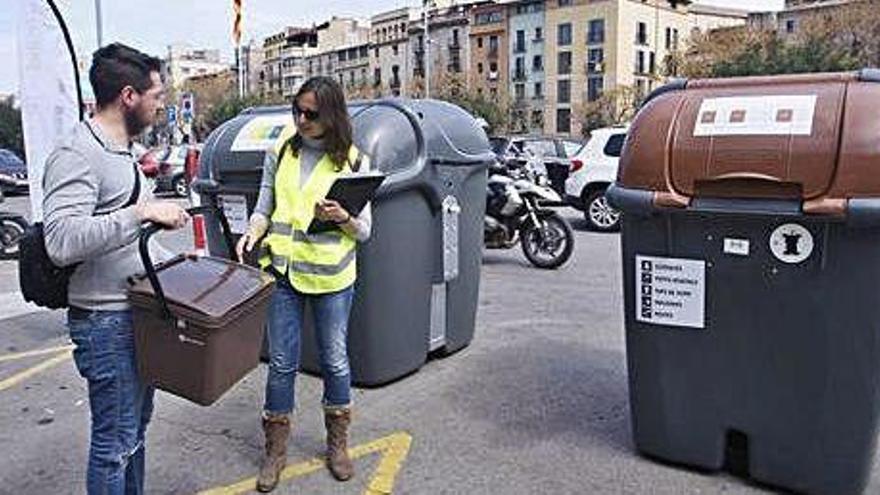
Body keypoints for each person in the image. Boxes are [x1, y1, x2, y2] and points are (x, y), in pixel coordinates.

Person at [43, 43, 189, 495]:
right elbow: (61, 241)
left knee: (134, 435)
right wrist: (141, 213)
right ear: (129, 96)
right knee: (115, 445)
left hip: (135, 315)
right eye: (156, 95)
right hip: (105, 324)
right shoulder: (77, 152)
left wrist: (180, 264)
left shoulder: (122, 151)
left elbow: (123, 244)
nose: (160, 102)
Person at [236, 76, 372, 493]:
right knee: (281, 364)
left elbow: (364, 232)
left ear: (331, 114)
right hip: (283, 272)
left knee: (334, 361)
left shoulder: (353, 161)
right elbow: (264, 205)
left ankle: (337, 444)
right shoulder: (281, 150)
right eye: (297, 110)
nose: (301, 119)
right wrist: (253, 231)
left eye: (311, 113)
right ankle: (275, 451)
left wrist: (342, 218)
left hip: (331, 277)